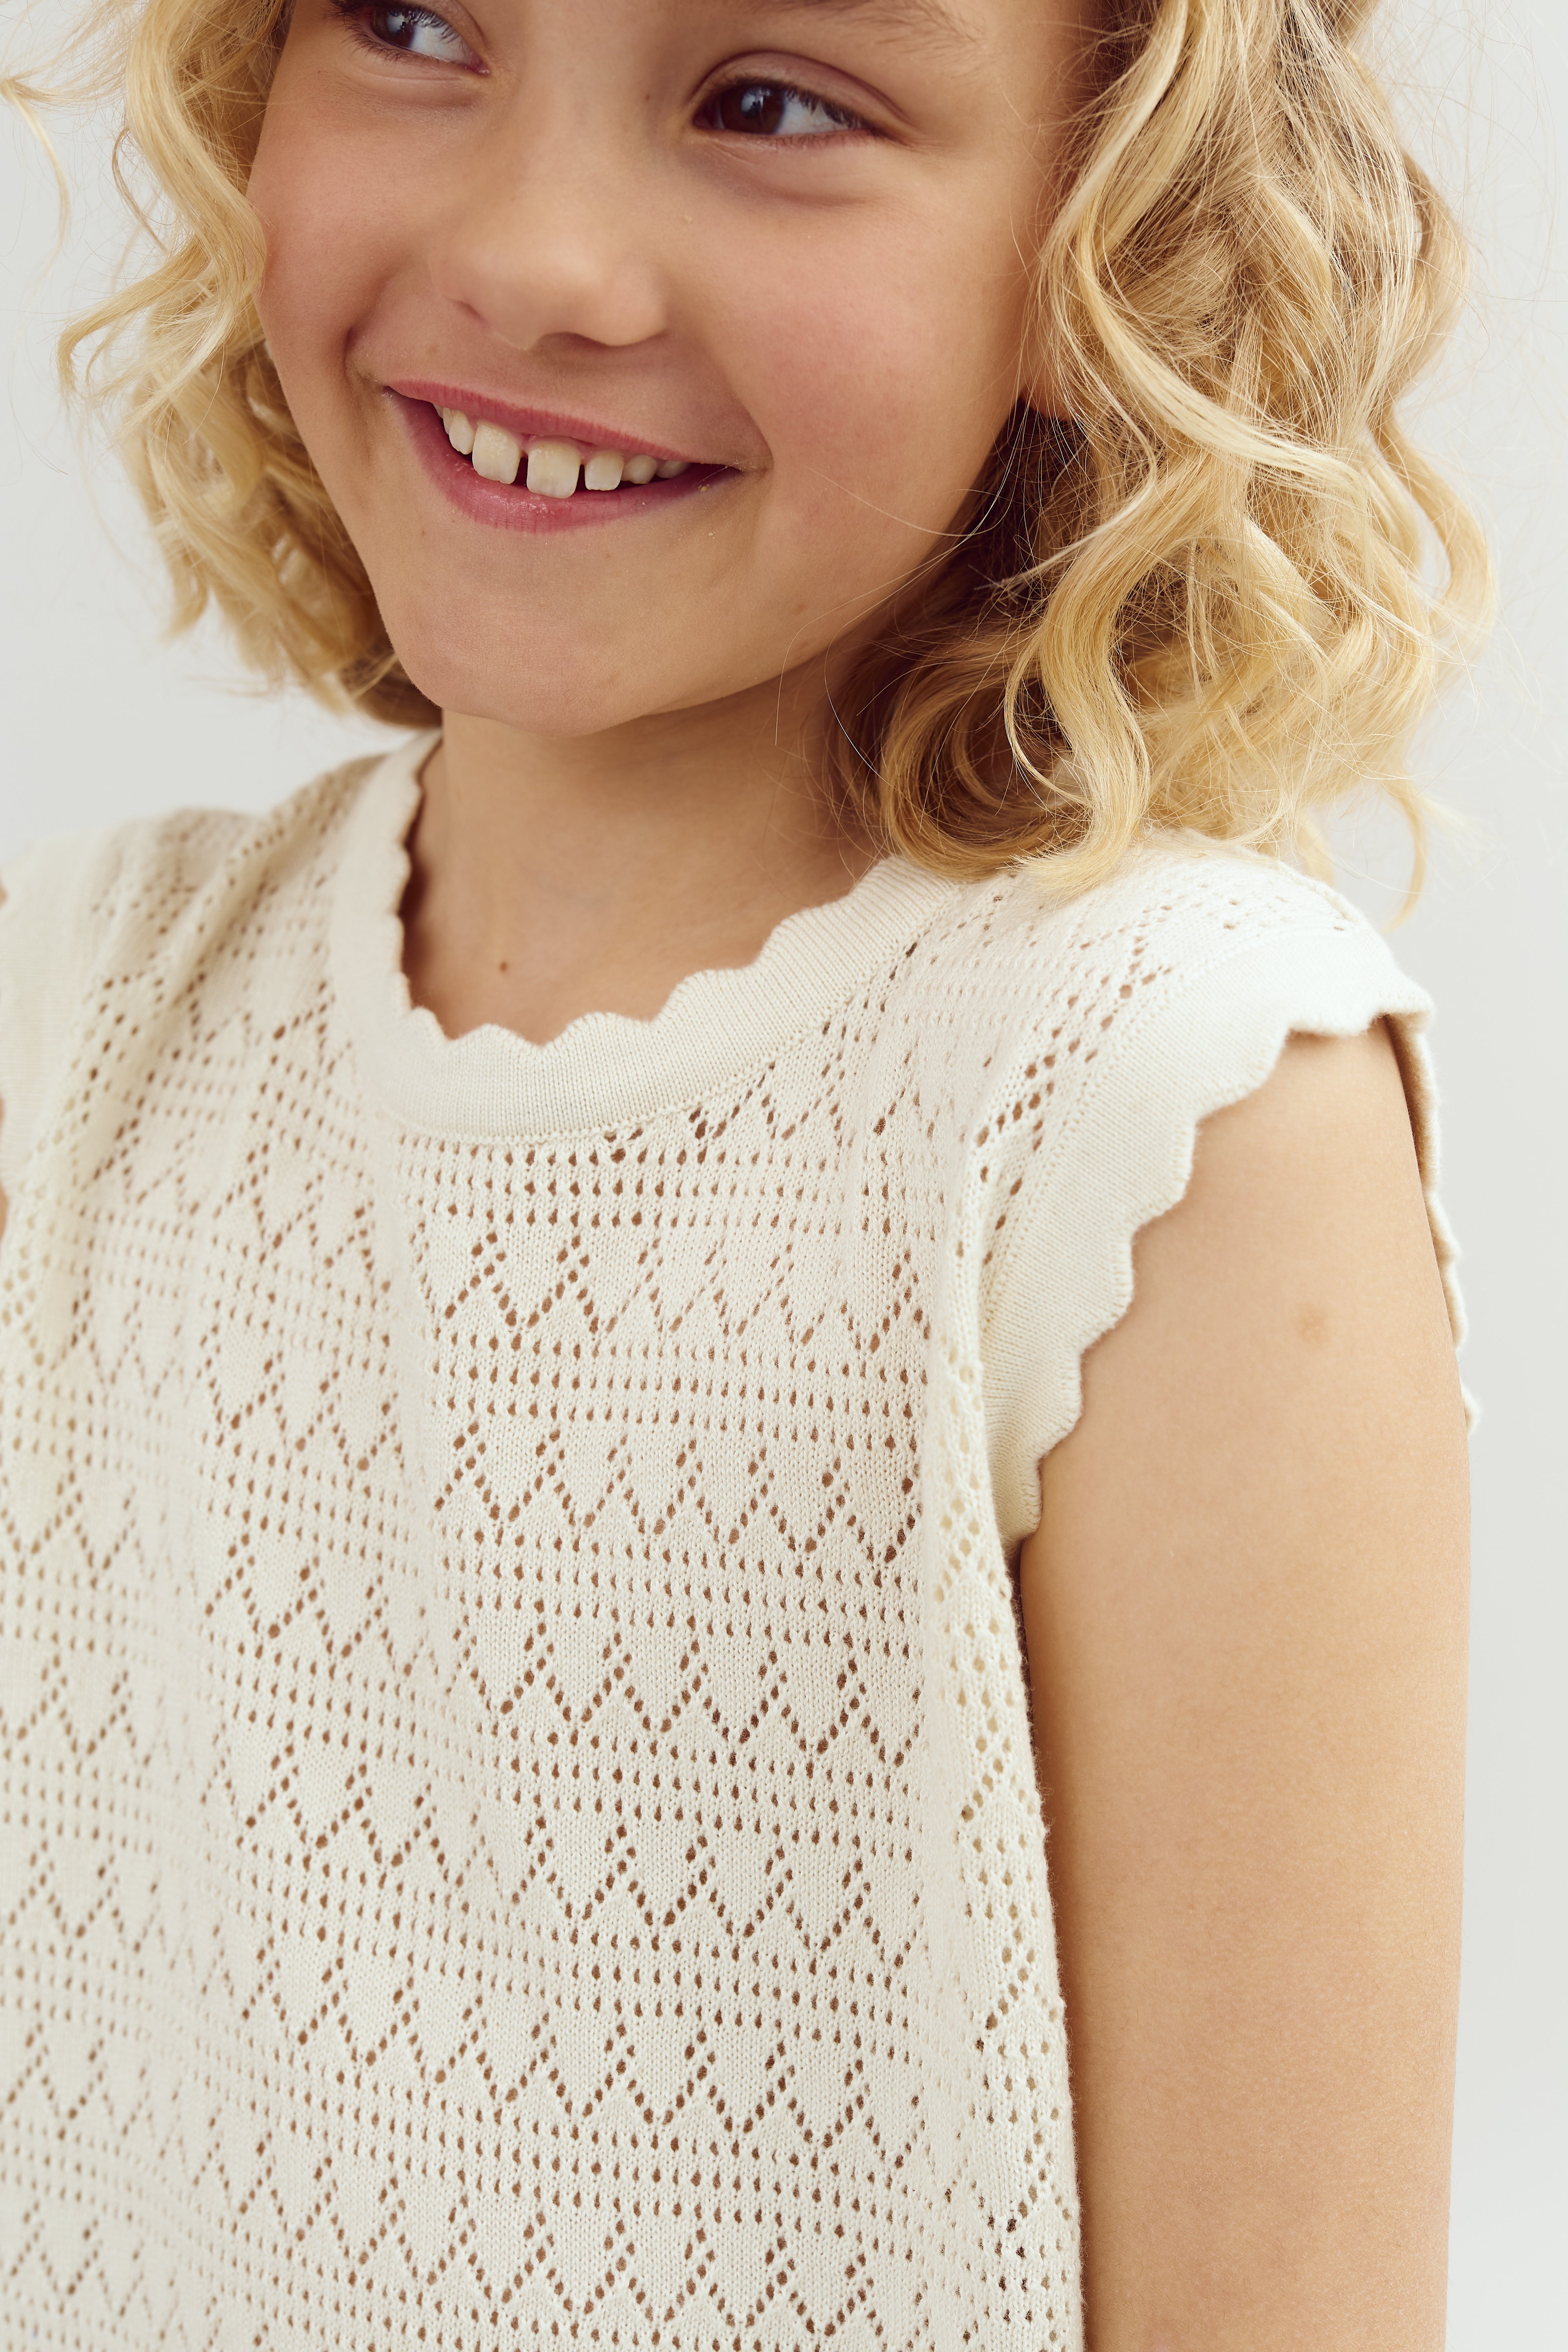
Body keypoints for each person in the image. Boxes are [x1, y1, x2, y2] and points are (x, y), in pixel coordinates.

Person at [0, 2, 1482, 2344]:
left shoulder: (1154, 1110)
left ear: (1106, 245)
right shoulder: (82, 1012)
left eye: (775, 103)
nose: (538, 256)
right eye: (415, 20)